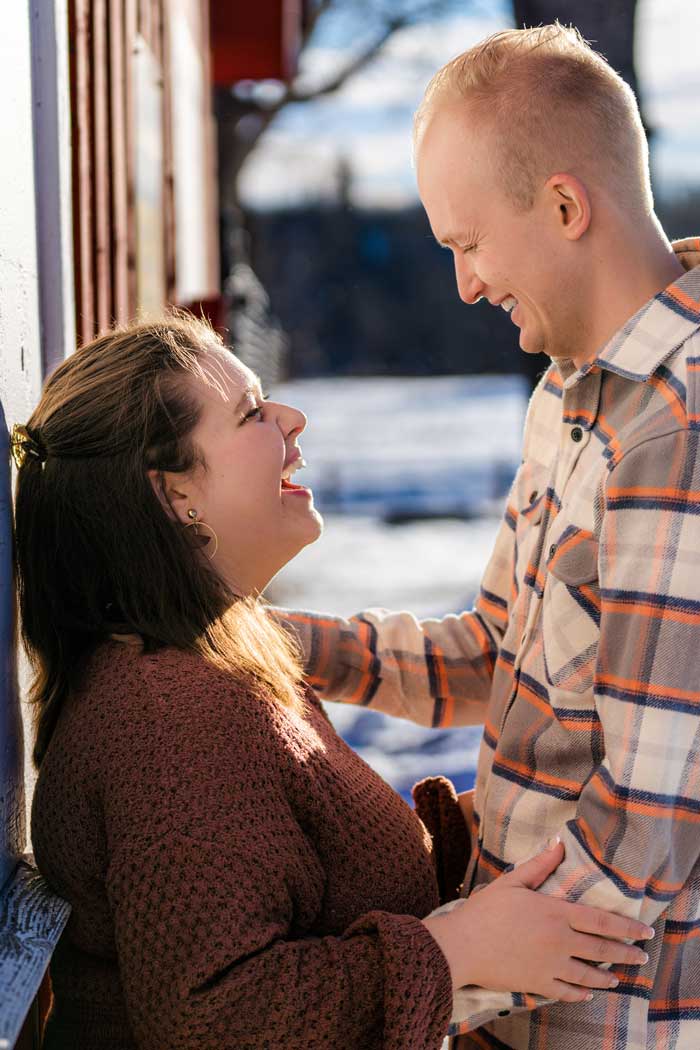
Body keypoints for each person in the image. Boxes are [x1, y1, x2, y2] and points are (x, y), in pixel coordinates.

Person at [15, 315, 650, 1050]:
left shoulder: (206, 667)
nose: (292, 419)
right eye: (251, 414)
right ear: (175, 496)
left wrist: (487, 837)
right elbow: (217, 1018)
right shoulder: (171, 722)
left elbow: (304, 887)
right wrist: (457, 950)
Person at [276, 23, 700, 1050]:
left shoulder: (676, 429)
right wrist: (270, 646)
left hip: (604, 1024)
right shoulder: (567, 397)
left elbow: (648, 829)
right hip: (508, 1007)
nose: (464, 285)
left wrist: (436, 979)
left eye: (467, 245)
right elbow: (493, 658)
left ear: (562, 206)